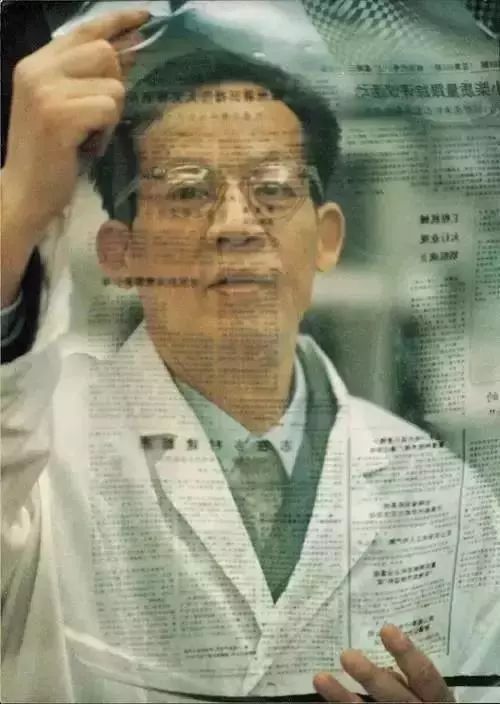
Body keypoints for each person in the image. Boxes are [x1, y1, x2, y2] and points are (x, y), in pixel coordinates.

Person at [1, 9, 498, 704]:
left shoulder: (450, 500)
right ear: (120, 252)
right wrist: (17, 205)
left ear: (326, 239)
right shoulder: (35, 457)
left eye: (272, 189)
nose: (235, 224)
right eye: (187, 191)